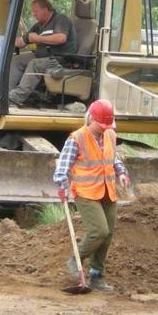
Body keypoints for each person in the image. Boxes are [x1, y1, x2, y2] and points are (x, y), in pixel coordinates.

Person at [53, 99, 131, 291]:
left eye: (107, 125)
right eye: (101, 125)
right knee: (99, 231)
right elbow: (62, 168)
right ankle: (75, 259)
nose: (105, 128)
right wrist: (62, 185)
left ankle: (97, 276)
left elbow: (113, 158)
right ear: (91, 118)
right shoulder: (77, 138)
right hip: (86, 193)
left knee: (108, 234)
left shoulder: (110, 135)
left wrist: (121, 172)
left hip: (107, 190)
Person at [8, 0, 77, 106]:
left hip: (60, 59)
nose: (33, 14)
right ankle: (7, 94)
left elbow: (61, 38)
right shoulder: (38, 25)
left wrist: (38, 38)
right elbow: (22, 41)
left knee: (34, 63)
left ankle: (16, 98)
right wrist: (4, 43)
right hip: (42, 56)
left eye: (36, 11)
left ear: (45, 9)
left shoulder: (61, 19)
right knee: (16, 60)